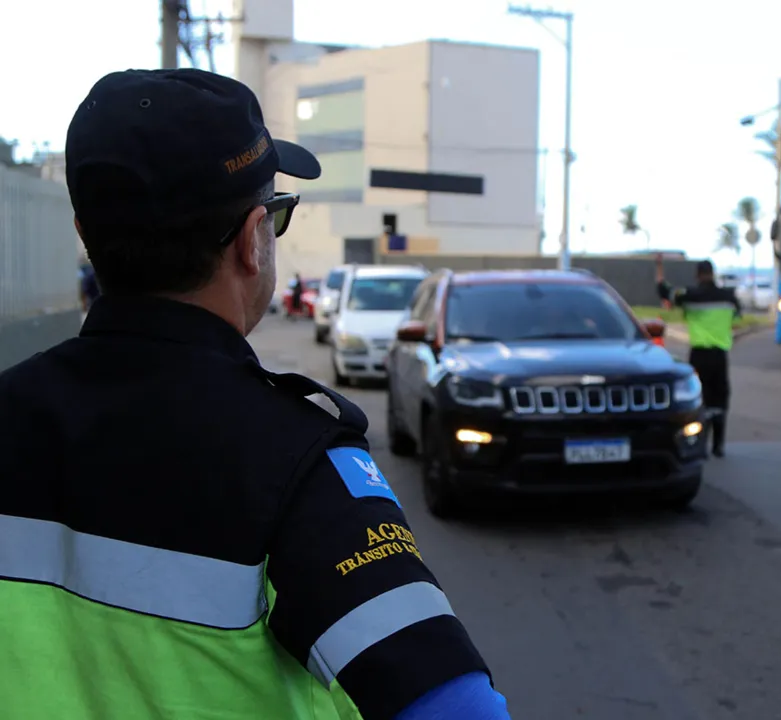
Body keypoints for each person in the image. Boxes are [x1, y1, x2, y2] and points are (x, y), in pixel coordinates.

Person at [0, 69, 509, 720]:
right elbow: (458, 711)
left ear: (84, 230)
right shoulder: (296, 463)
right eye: (277, 214)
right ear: (251, 239)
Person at [655, 257, 741, 457]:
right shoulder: (729, 297)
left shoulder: (690, 296)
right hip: (720, 355)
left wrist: (659, 267)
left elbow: (664, 291)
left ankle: (698, 443)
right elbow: (737, 316)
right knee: (720, 400)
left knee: (699, 400)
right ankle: (718, 445)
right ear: (713, 274)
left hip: (699, 355)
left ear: (697, 275)